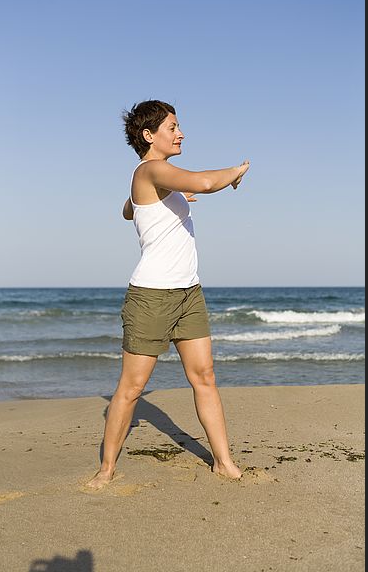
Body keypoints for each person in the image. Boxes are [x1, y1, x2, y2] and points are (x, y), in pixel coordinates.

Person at [87, 100, 250, 489]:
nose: (180, 133)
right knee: (131, 389)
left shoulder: (154, 180)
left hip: (188, 293)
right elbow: (207, 183)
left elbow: (128, 210)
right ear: (149, 135)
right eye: (173, 127)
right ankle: (106, 470)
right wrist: (237, 170)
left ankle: (223, 462)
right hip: (152, 297)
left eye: (179, 127)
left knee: (205, 376)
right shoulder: (151, 169)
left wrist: (160, 201)